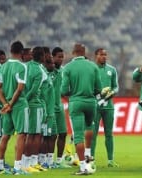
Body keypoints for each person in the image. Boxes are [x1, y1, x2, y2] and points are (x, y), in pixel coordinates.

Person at [61, 43, 102, 175]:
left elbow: (63, 90)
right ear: (84, 52)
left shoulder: (68, 68)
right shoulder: (93, 66)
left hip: (76, 102)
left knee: (78, 135)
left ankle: (83, 167)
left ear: (73, 52)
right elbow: (98, 89)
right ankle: (89, 154)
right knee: (90, 126)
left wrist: (74, 92)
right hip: (91, 102)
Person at [0, 41, 28, 175]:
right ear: (22, 52)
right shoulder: (22, 66)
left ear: (10, 51)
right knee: (21, 135)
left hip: (7, 104)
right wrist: (11, 105)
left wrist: (5, 104)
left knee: (5, 135)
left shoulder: (4, 66)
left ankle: (0, 165)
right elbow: (20, 89)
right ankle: (17, 168)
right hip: (19, 104)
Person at [91, 48, 119, 167]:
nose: (104, 57)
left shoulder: (112, 70)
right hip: (95, 106)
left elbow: (116, 87)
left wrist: (111, 93)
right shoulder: (91, 69)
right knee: (93, 134)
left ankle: (110, 160)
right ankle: (91, 159)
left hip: (108, 107)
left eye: (105, 55)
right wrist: (98, 94)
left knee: (109, 134)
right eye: (101, 54)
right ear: (96, 55)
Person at [22, 46, 47, 172]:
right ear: (42, 56)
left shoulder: (26, 66)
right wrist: (26, 100)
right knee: (35, 135)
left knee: (28, 134)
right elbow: (34, 90)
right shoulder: (39, 70)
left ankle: (26, 163)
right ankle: (31, 163)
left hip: (26, 104)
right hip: (35, 105)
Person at [47, 47, 69, 168]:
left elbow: (64, 90)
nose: (61, 59)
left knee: (63, 133)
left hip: (59, 107)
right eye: (59, 57)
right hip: (49, 107)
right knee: (51, 136)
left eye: (62, 57)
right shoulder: (48, 71)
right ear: (53, 56)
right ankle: (48, 160)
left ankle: (59, 161)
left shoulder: (64, 71)